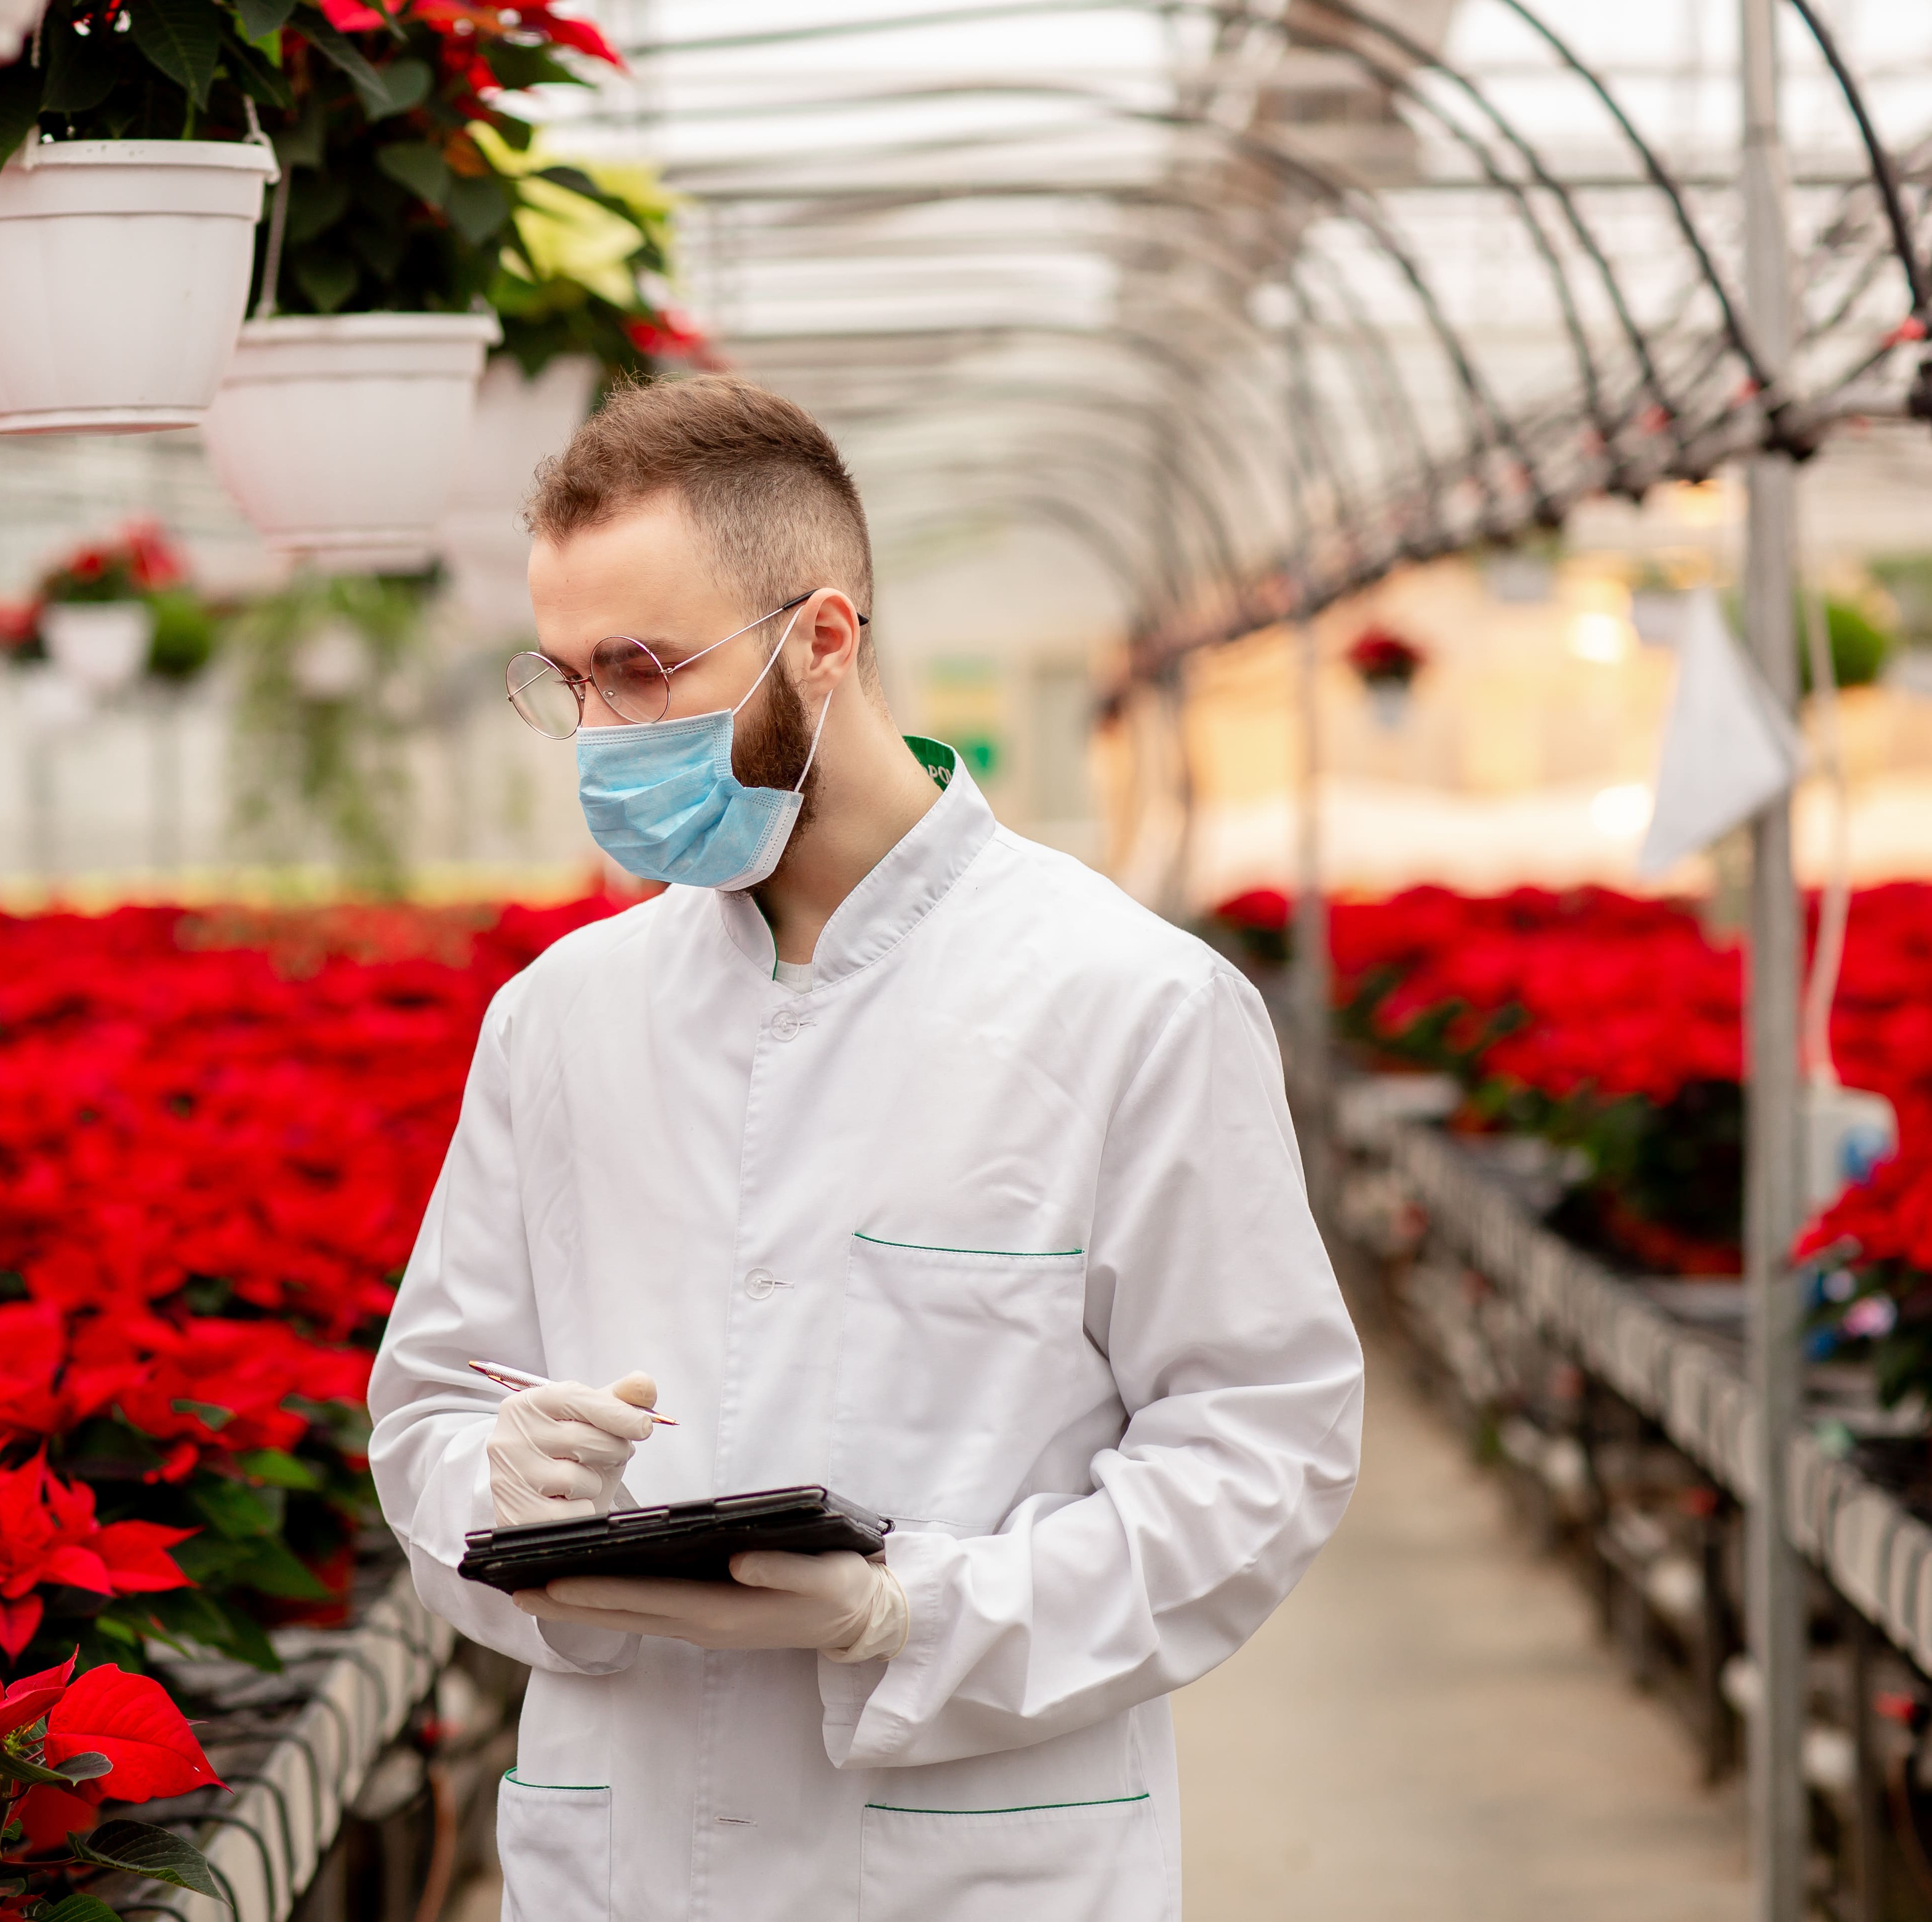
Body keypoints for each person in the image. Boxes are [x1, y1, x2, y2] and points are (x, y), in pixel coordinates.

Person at [367, 375, 1364, 1921]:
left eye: (641, 670)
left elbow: (1258, 1450)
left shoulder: (1130, 1002)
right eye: (566, 680)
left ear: (823, 641)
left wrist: (916, 1611)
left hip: (968, 1859)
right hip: (621, 1849)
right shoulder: (561, 1018)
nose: (600, 735)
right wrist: (495, 1490)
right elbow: (431, 1401)